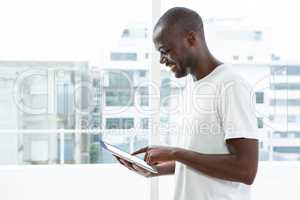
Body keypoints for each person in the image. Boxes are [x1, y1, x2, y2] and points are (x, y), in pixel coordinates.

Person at [114, 7, 258, 200]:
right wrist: (156, 170)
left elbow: (245, 170)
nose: (161, 60)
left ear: (191, 39)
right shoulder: (192, 89)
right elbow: (204, 158)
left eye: (165, 51)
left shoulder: (231, 85)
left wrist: (174, 152)